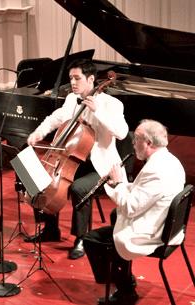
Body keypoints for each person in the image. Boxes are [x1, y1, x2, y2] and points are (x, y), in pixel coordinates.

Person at [26, 59, 129, 260]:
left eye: (77, 78)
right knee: (41, 179)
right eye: (70, 78)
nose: (72, 83)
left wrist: (97, 111)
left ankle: (82, 239)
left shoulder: (112, 104)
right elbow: (57, 117)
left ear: (91, 79)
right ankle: (50, 229)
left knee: (79, 188)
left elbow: (122, 133)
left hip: (100, 165)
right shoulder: (72, 99)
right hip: (74, 158)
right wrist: (38, 133)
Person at [83, 119, 185, 305]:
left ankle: (125, 290)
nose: (132, 142)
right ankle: (122, 275)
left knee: (91, 240)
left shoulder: (156, 169)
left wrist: (120, 183)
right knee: (115, 216)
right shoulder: (169, 160)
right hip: (163, 220)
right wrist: (120, 183)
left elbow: (130, 207)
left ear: (148, 143)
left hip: (155, 231)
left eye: (136, 138)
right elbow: (145, 191)